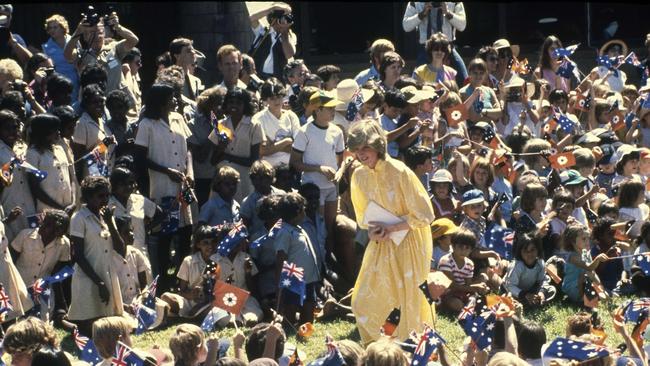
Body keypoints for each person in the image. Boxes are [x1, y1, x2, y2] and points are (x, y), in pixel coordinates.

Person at [346, 120, 434, 344]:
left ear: (377, 145)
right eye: (356, 149)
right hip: (382, 243)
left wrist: (393, 227)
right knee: (362, 300)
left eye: (364, 147)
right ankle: (377, 346)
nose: (360, 154)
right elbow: (364, 217)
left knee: (407, 300)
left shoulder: (400, 171)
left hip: (409, 242)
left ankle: (408, 348)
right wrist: (374, 232)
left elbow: (425, 213)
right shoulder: (359, 176)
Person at [134, 83, 194, 289]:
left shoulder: (178, 119)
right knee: (164, 235)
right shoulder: (147, 124)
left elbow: (188, 150)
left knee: (186, 232)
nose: (176, 100)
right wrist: (167, 171)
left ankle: (182, 280)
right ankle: (163, 283)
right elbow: (140, 158)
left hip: (182, 186)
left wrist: (190, 172)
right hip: (161, 186)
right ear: (160, 101)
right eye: (171, 97)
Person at [67, 176, 124, 336]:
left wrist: (111, 222)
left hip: (108, 276)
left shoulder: (106, 217)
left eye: (107, 195)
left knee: (111, 330)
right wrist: (99, 283)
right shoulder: (79, 218)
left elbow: (121, 249)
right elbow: (77, 255)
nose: (105, 200)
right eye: (100, 196)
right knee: (90, 330)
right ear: (88, 197)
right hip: (88, 278)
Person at [63, 8, 139, 94]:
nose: (96, 36)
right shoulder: (82, 54)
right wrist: (78, 31)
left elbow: (133, 40)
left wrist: (118, 27)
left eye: (98, 32)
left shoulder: (114, 48)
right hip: (92, 102)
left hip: (114, 100)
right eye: (91, 33)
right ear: (84, 37)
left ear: (104, 33)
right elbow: (67, 55)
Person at [208, 87, 265, 203]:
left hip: (243, 178)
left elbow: (253, 161)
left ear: (245, 105)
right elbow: (213, 161)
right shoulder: (221, 125)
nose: (234, 106)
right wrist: (221, 148)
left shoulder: (254, 125)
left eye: (239, 103)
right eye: (231, 102)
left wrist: (227, 157)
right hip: (223, 180)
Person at [274, 192, 320, 325]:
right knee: (291, 306)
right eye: (303, 209)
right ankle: (289, 326)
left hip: (309, 278)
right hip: (293, 278)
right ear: (298, 212)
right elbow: (280, 259)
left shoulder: (298, 228)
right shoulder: (285, 232)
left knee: (309, 304)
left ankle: (306, 326)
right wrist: (279, 283)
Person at [402, 2, 467, 85]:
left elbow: (462, 26)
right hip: (426, 49)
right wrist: (422, 14)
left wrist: (447, 13)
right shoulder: (415, 3)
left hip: (447, 48)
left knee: (464, 79)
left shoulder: (454, 2)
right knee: (417, 82)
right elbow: (406, 26)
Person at [25, 114, 75, 213]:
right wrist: (59, 208)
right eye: (54, 130)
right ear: (44, 132)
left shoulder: (60, 149)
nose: (58, 133)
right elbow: (35, 187)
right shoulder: (33, 153)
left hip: (68, 208)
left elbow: (70, 178)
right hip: (47, 210)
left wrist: (73, 202)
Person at [0, 110, 36, 241]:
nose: (12, 132)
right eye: (6, 128)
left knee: (31, 240)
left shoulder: (22, 147)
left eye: (14, 127)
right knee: (11, 243)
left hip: (28, 204)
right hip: (9, 204)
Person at [255, 77, 301, 168]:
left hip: (291, 168)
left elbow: (298, 148)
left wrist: (272, 145)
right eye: (272, 98)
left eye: (279, 97)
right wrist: (287, 141)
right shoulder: (258, 119)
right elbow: (262, 150)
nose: (277, 101)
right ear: (266, 99)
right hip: (268, 169)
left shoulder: (291, 116)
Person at [503, 233, 555, 308]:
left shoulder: (540, 262)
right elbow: (510, 285)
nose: (529, 254)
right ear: (520, 252)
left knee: (551, 289)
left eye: (532, 250)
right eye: (525, 251)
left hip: (530, 290)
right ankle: (529, 304)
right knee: (510, 300)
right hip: (516, 292)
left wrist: (541, 292)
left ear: (538, 250)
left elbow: (542, 279)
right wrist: (525, 295)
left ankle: (537, 301)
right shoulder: (517, 266)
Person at [249, 2, 297, 80]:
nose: (285, 20)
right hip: (257, 76)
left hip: (276, 79)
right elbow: (252, 18)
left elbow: (289, 54)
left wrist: (284, 32)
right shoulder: (263, 32)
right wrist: (272, 9)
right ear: (273, 19)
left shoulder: (290, 36)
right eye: (282, 17)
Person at [42, 14, 80, 99]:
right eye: (50, 28)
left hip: (77, 81)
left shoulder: (73, 40)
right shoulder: (46, 47)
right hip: (60, 84)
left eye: (55, 27)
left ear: (63, 28)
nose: (52, 30)